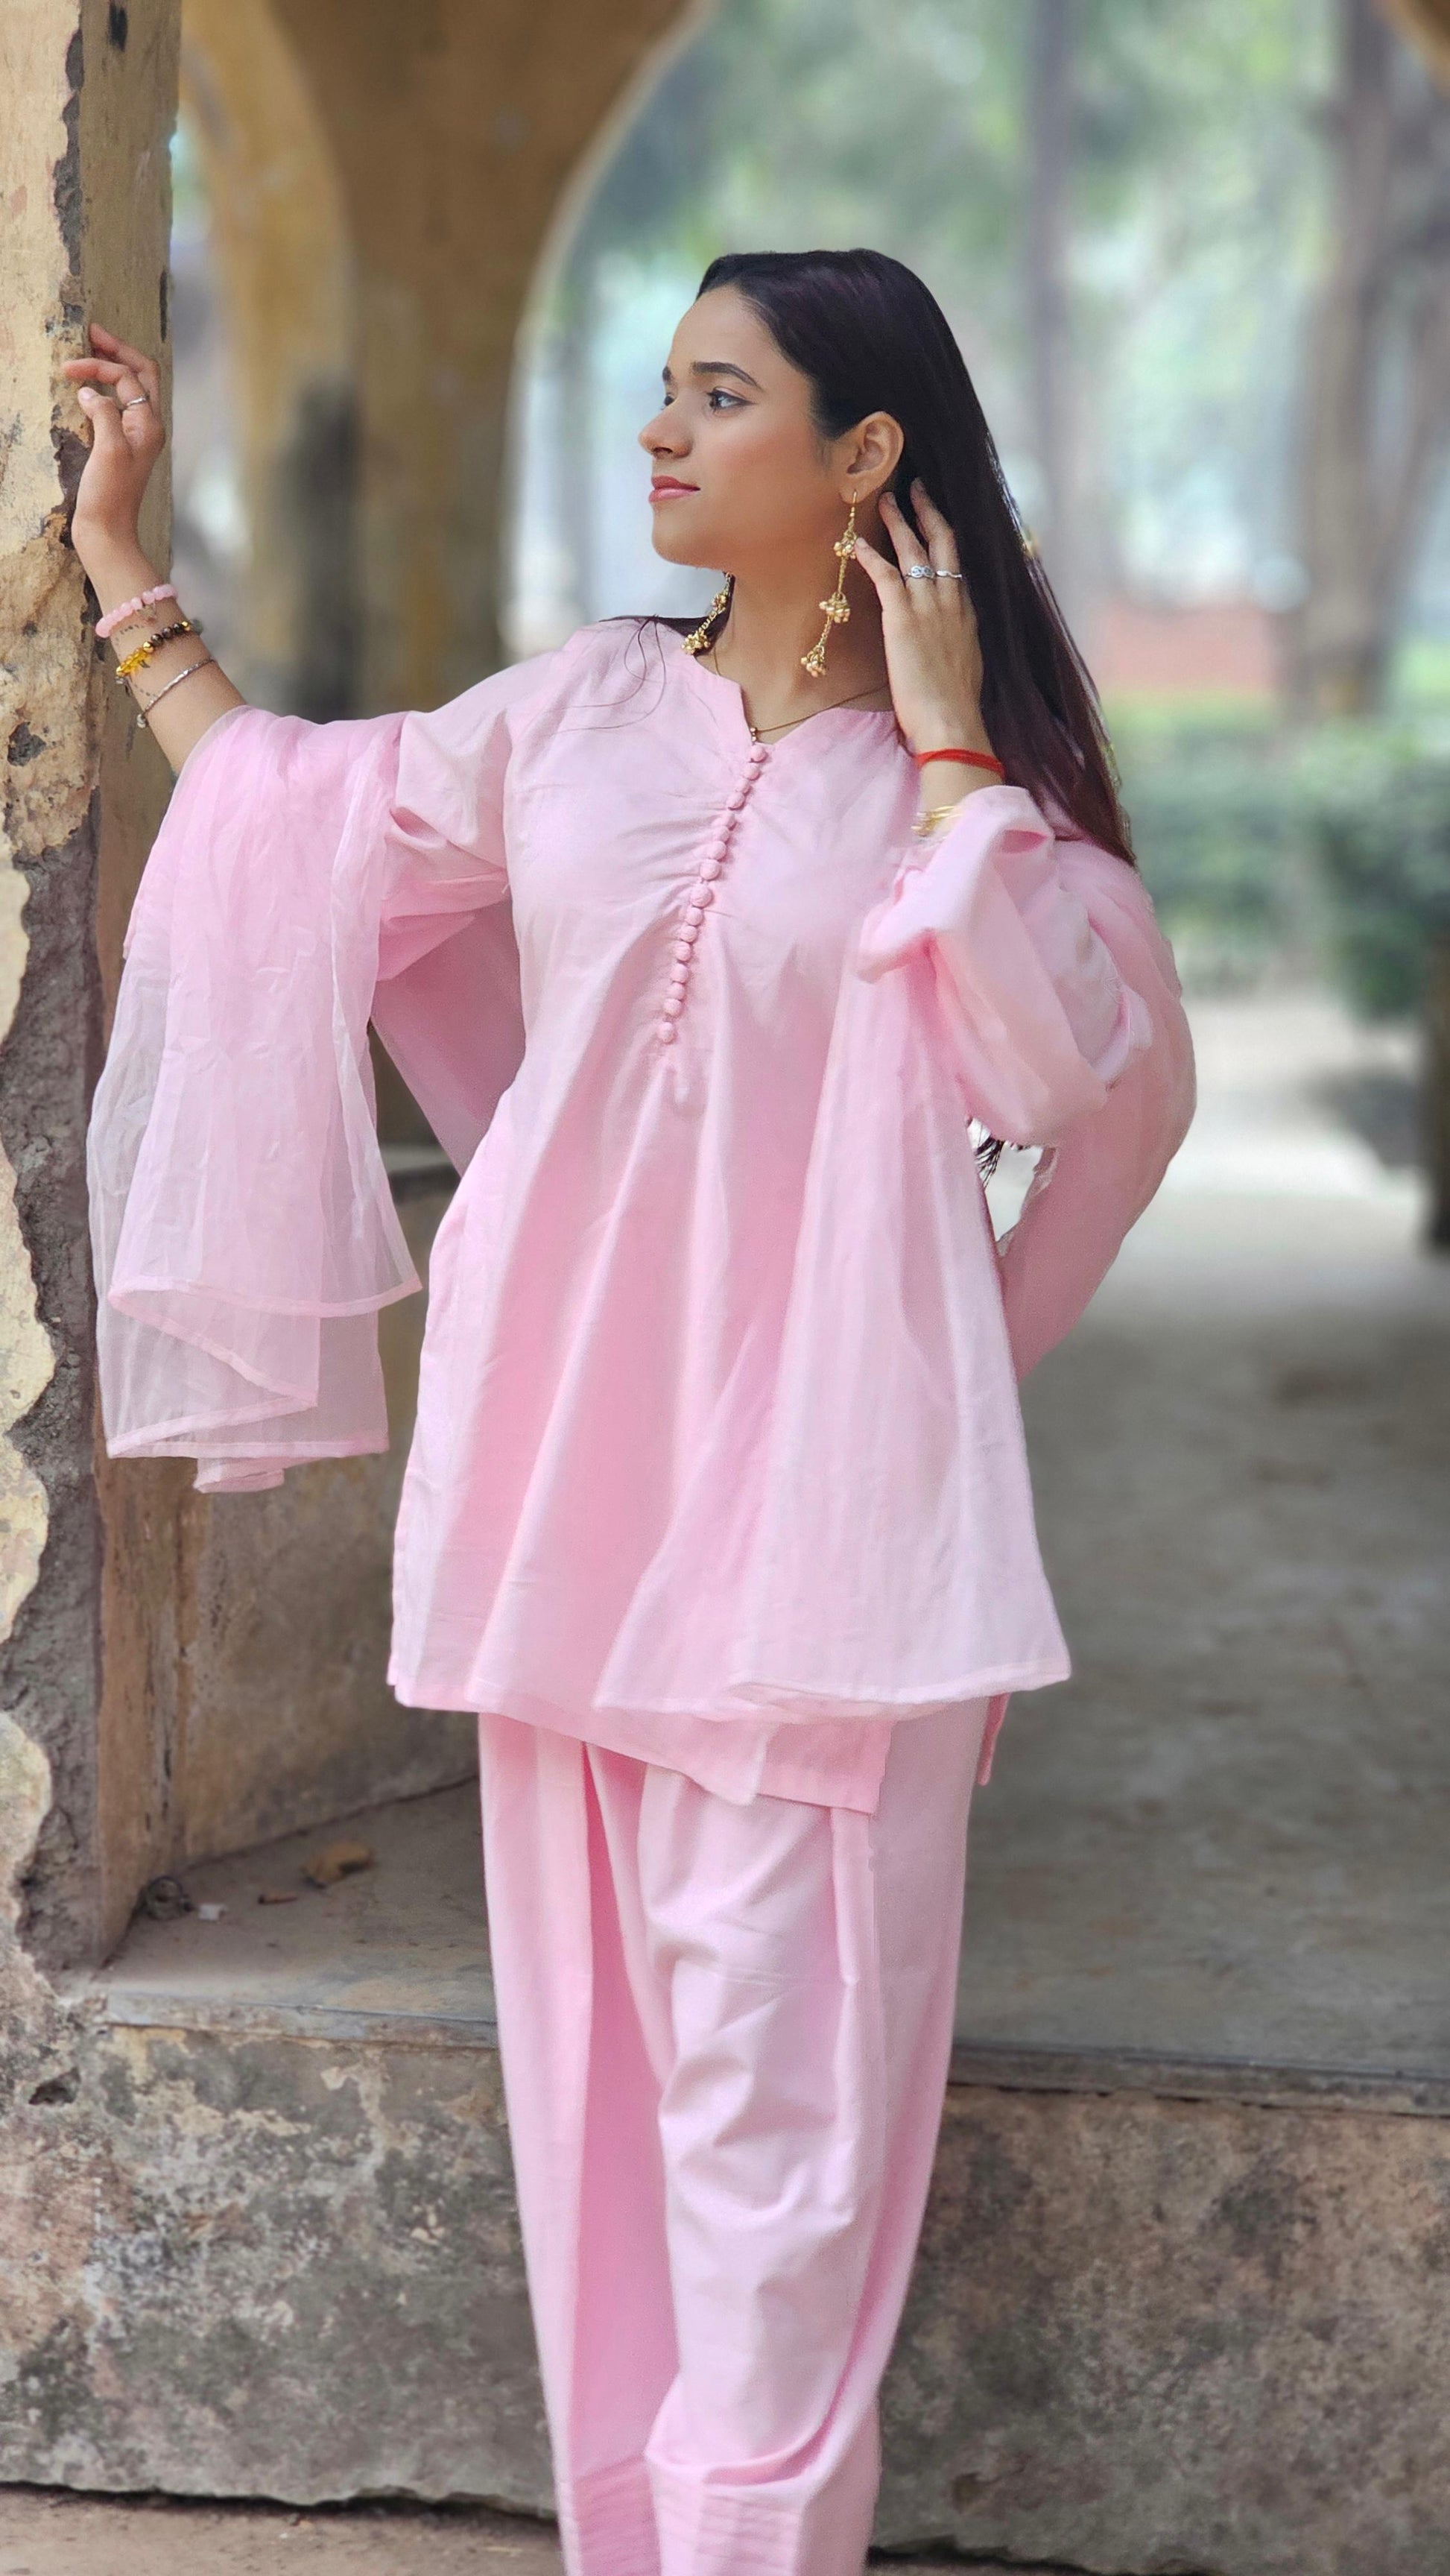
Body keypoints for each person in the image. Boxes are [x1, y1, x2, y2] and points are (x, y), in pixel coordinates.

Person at [72, 247, 1194, 2576]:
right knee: (601, 2122)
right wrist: (124, 573)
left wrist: (933, 1379)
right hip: (561, 1512)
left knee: (781, 2158)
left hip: (823, 1568)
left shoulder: (982, 815)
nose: (660, 431)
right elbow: (295, 823)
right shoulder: (581, 712)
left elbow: (1069, 1086)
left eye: (719, 394)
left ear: (865, 452)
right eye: (661, 386)